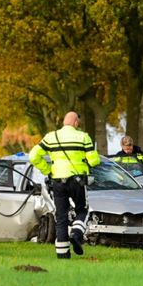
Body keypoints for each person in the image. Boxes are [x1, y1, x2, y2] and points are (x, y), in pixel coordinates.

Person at [28, 111, 101, 259]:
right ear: (75, 123)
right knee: (82, 210)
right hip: (77, 180)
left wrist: (47, 169)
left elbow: (33, 156)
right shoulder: (83, 137)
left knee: (60, 217)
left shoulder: (51, 137)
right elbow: (94, 161)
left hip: (57, 181)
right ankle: (76, 232)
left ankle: (62, 254)